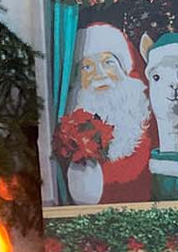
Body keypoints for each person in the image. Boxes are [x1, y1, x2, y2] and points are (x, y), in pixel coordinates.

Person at [63, 23, 154, 204]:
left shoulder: (147, 119)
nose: (100, 74)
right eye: (87, 67)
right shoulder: (69, 131)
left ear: (123, 68)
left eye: (108, 63)